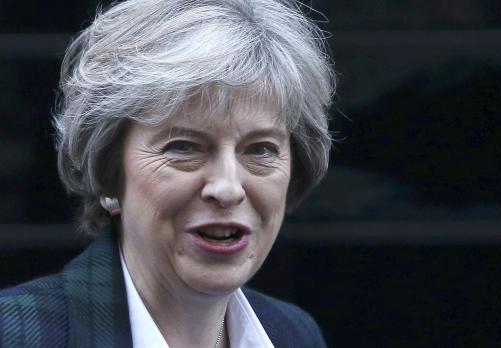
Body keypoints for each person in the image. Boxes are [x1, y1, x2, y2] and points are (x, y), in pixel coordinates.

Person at [0, 0, 334, 346]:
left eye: (260, 149)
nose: (228, 188)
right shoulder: (16, 334)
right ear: (110, 170)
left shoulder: (292, 333)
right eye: (184, 147)